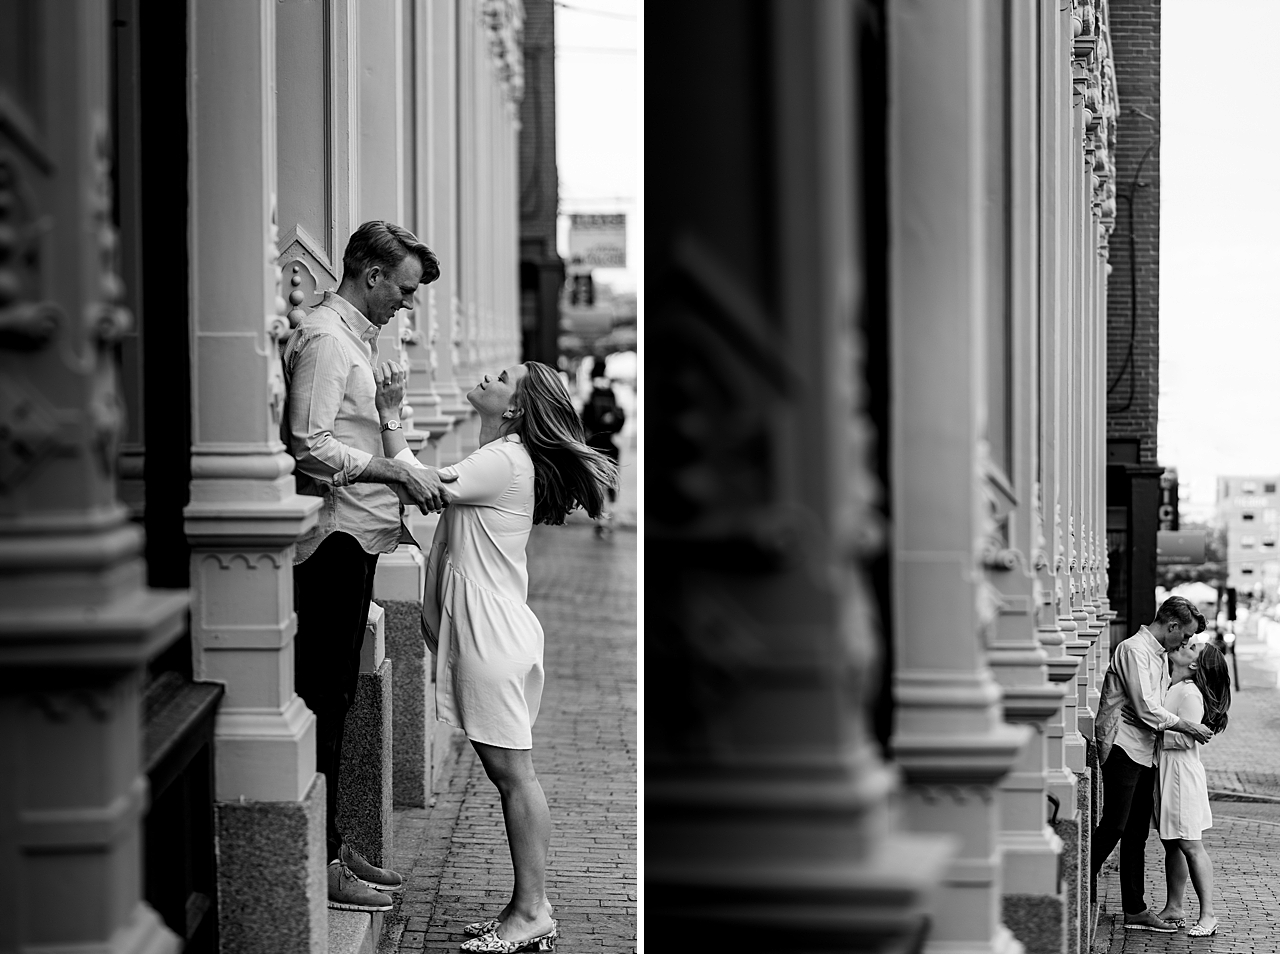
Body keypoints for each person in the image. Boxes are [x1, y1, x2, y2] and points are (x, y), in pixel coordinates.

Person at [372, 359, 616, 952]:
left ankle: (532, 911)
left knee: (514, 776)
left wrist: (388, 412)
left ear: (514, 409)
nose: (488, 377)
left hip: (493, 636)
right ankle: (527, 906)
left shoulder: (504, 460)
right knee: (510, 774)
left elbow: (418, 483)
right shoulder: (502, 458)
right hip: (492, 631)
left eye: (502, 378)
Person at [283, 220, 455, 912]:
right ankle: (321, 860)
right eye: (404, 291)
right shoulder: (328, 342)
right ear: (372, 274)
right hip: (331, 545)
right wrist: (385, 469)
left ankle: (333, 843)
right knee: (325, 697)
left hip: (359, 542)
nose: (406, 307)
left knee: (342, 697)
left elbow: (370, 433)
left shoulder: (361, 343)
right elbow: (307, 443)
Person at [1092, 596, 1214, 932]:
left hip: (1144, 750)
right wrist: (1187, 725)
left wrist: (1152, 715)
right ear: (1172, 625)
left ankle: (1135, 909)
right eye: (1185, 635)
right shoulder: (1134, 650)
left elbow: (1151, 708)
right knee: (1115, 825)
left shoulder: (1159, 655)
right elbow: (1147, 709)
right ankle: (1075, 878)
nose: (1185, 642)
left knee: (1135, 834)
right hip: (1122, 746)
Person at [1154, 641, 1231, 937]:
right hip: (1169, 770)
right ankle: (1174, 907)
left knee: (1190, 843)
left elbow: (1187, 738)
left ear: (1196, 664)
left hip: (1180, 773)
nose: (1185, 644)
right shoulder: (1176, 686)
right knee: (1172, 841)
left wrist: (1154, 729)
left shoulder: (1189, 693)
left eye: (1193, 646)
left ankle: (1208, 915)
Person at [580, 375, 625, 537]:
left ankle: (602, 520)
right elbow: (619, 427)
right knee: (610, 484)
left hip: (594, 448)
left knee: (597, 485)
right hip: (611, 448)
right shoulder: (614, 405)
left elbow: (584, 424)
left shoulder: (591, 402)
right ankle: (610, 518)